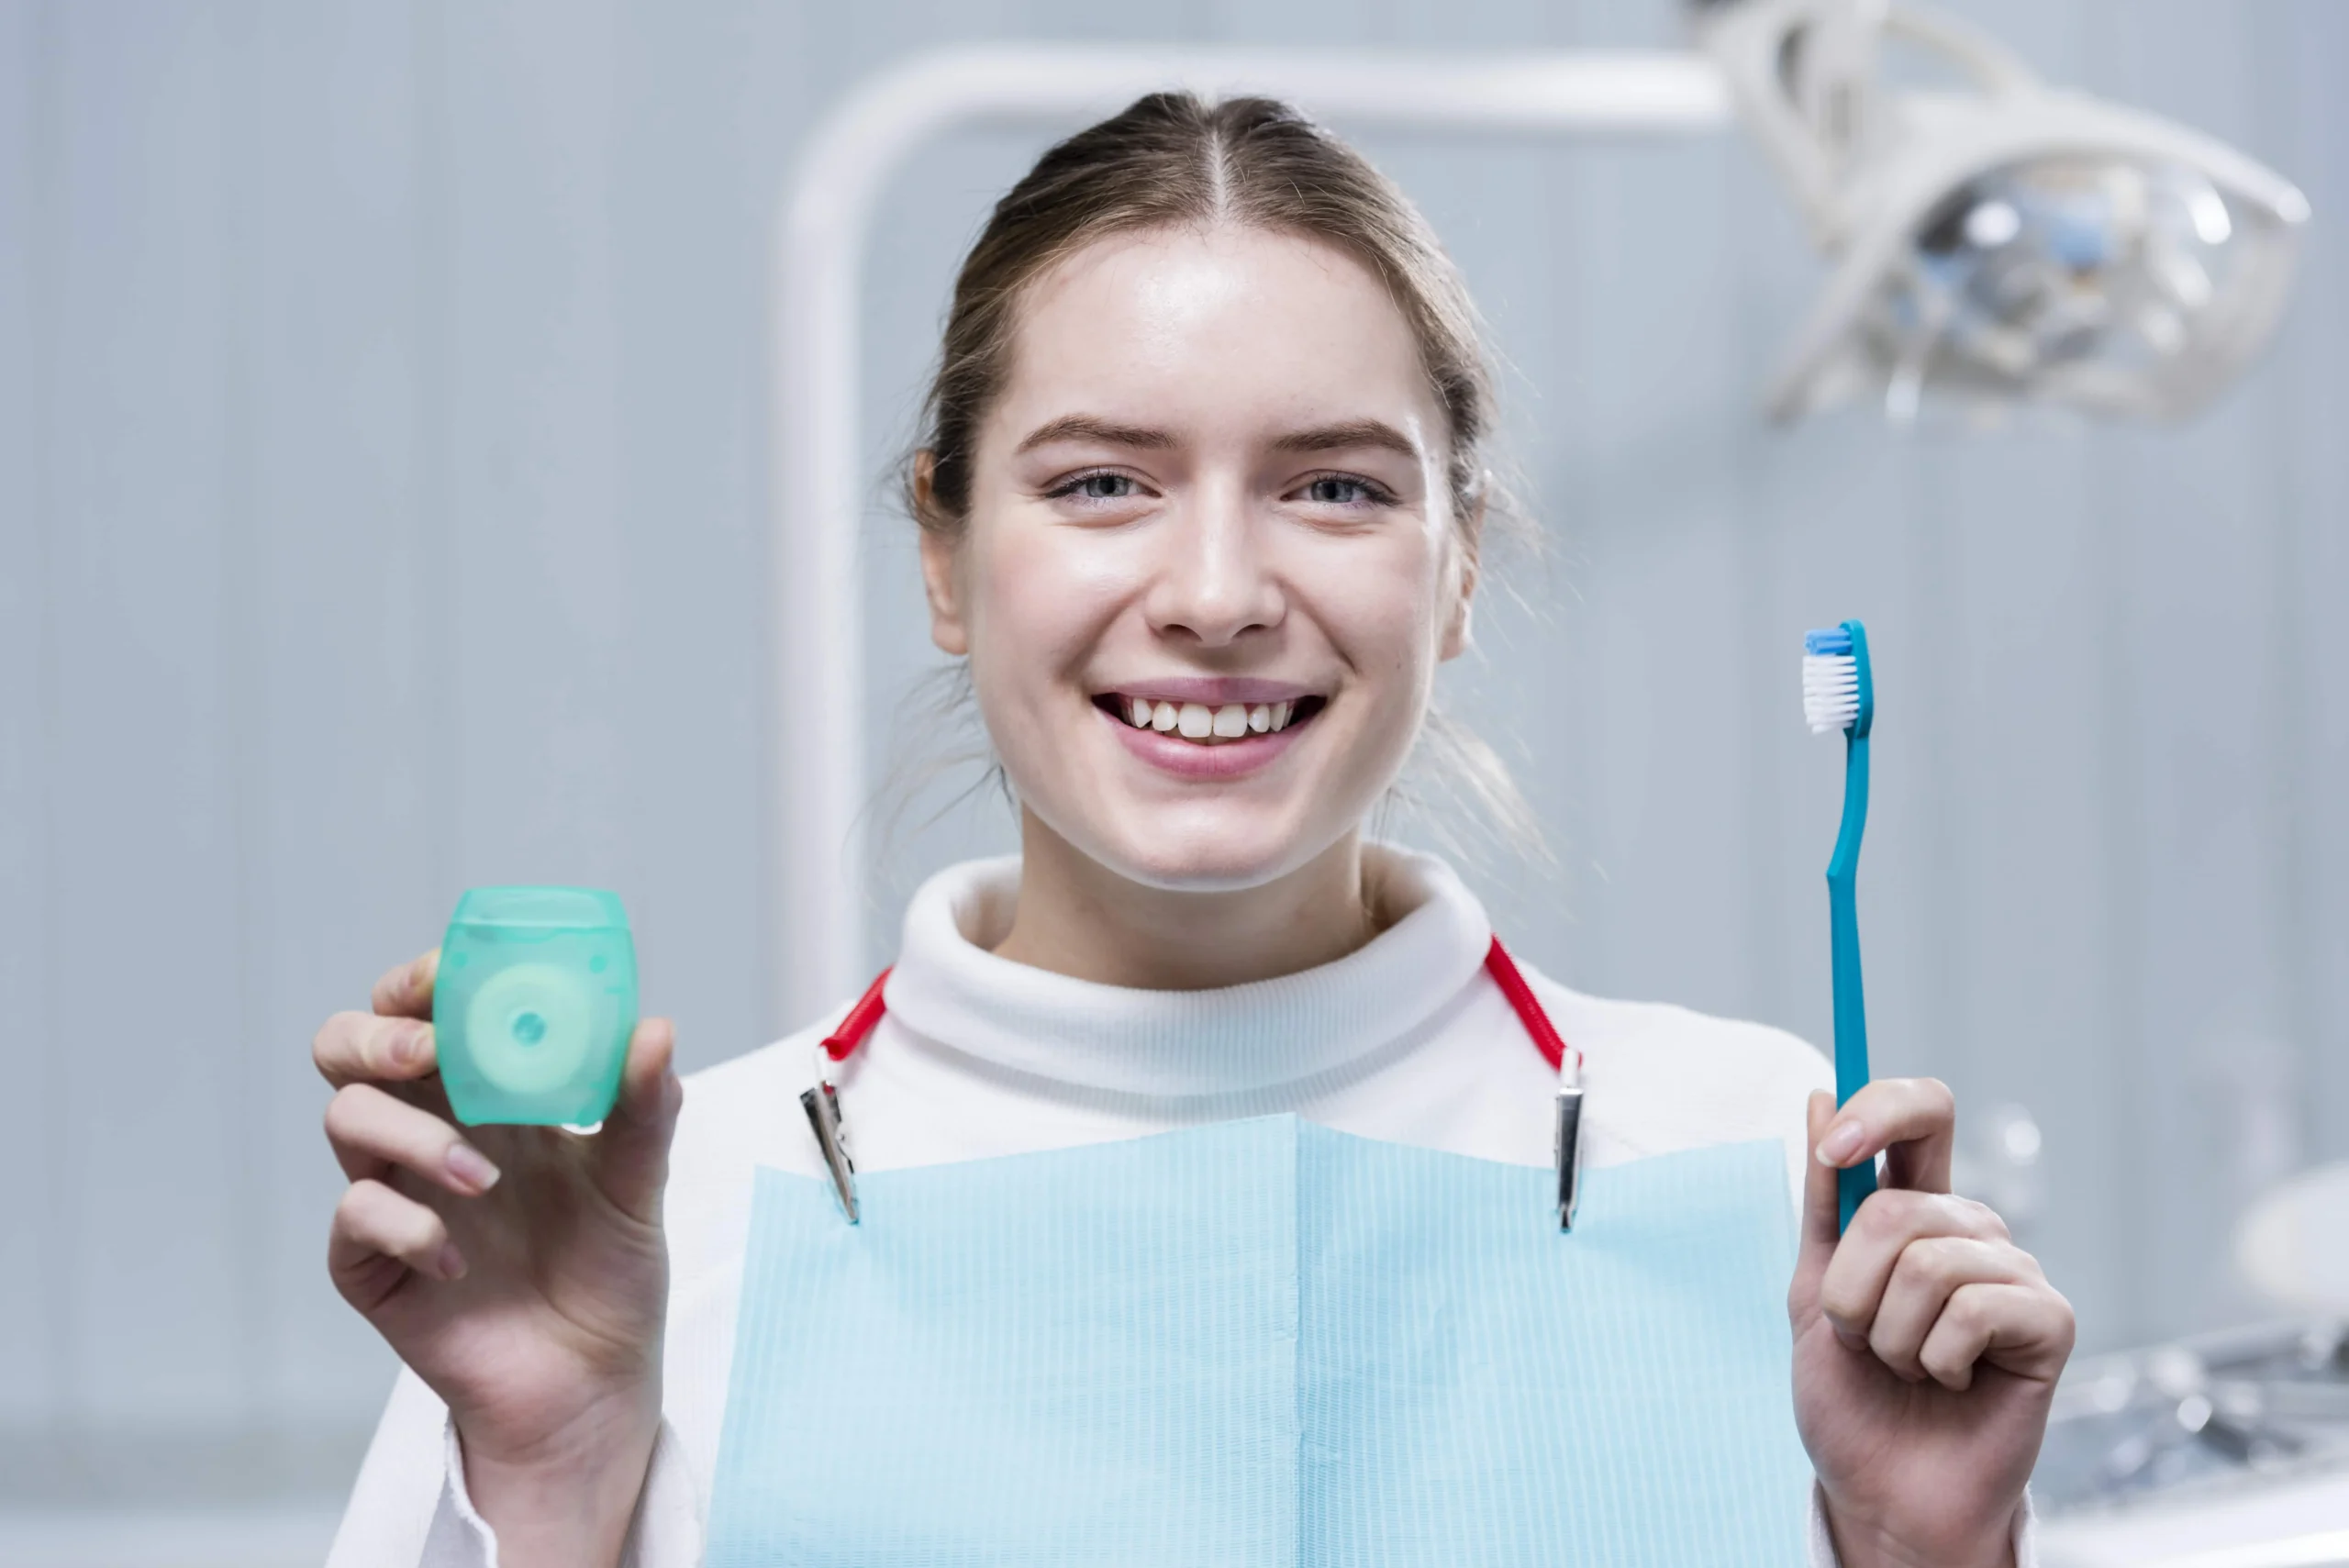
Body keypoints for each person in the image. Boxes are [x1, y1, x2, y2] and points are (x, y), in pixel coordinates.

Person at [317, 93, 2073, 1568]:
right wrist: (551, 1481)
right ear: (942, 554)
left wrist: (1933, 1556)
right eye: (1101, 484)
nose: (1221, 595)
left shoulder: (1773, 1167)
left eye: (1334, 486)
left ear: (1457, 567)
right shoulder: (656, 1225)